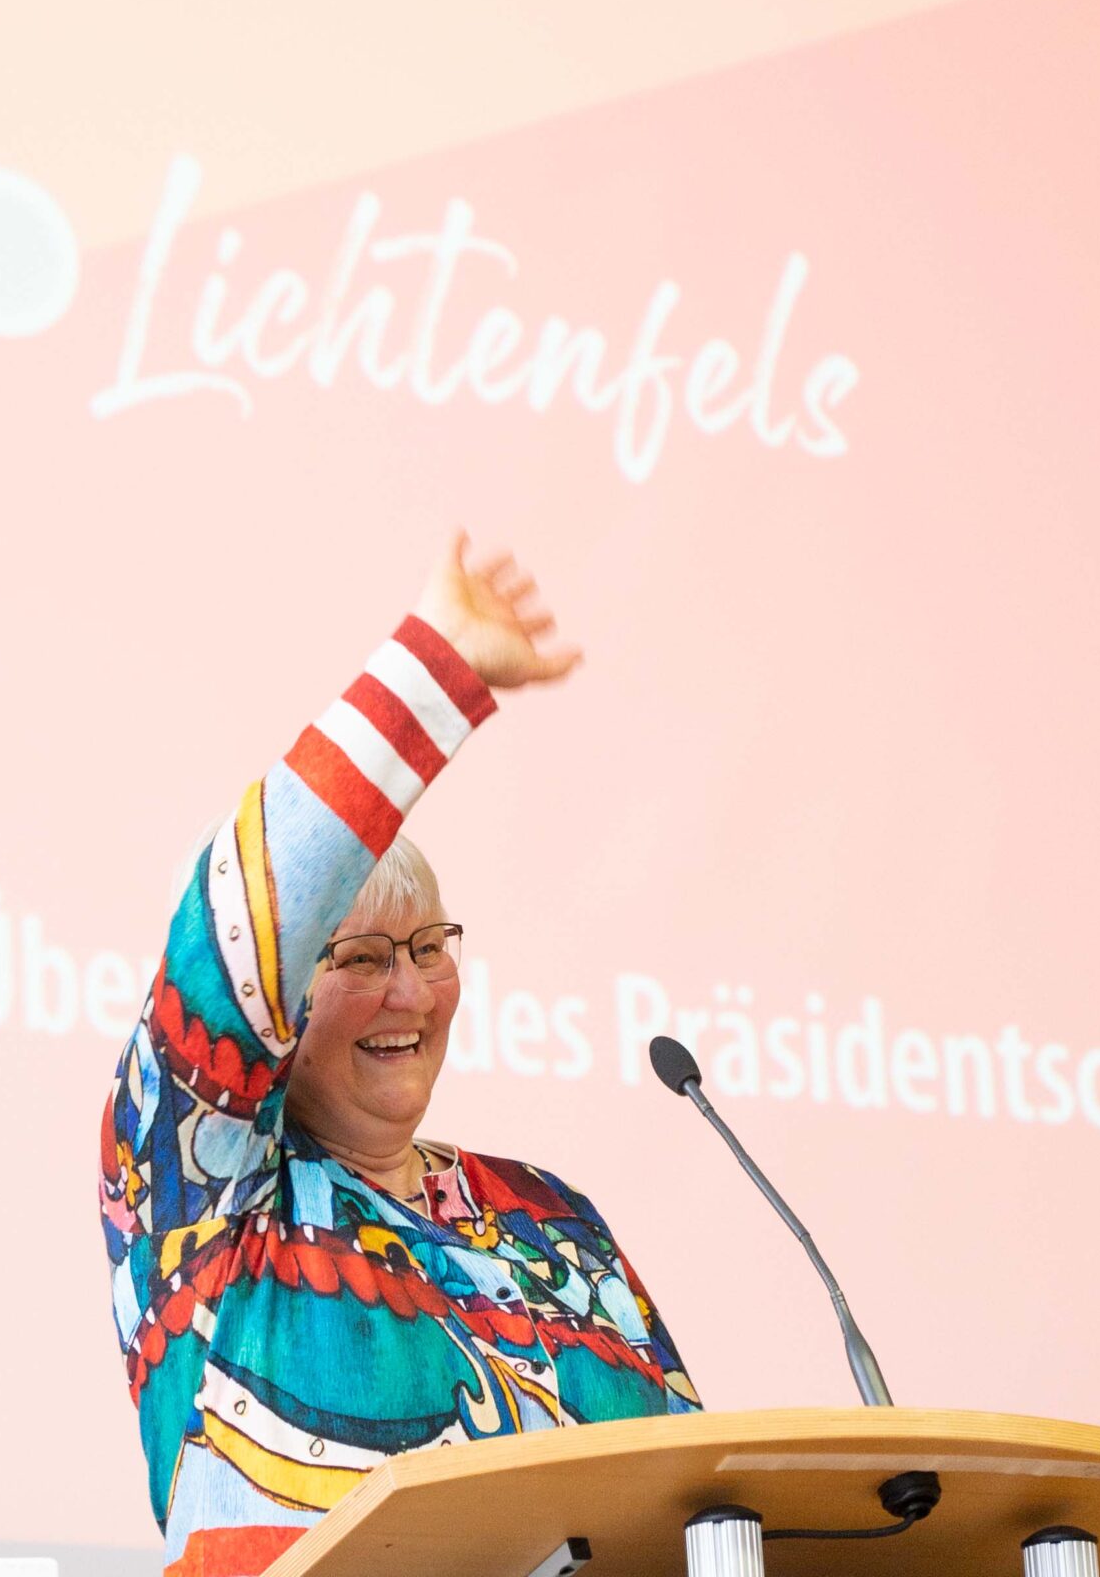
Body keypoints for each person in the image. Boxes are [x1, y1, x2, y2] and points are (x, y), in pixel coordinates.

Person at [100, 535, 699, 1577]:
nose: (412, 992)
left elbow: (696, 1501)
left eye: (430, 948)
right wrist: (436, 670)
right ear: (283, 998)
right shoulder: (204, 1197)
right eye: (364, 957)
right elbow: (229, 938)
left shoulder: (550, 1215)